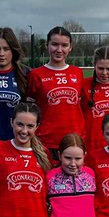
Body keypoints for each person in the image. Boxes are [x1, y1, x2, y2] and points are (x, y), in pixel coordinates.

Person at [27, 26, 85, 155]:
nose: (59, 50)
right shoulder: (36, 74)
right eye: (54, 44)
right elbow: (30, 110)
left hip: (74, 140)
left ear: (70, 47)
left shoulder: (78, 73)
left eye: (64, 45)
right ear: (47, 45)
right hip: (46, 141)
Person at [82, 45, 109, 154]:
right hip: (90, 147)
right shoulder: (83, 85)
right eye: (100, 68)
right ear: (94, 66)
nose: (104, 73)